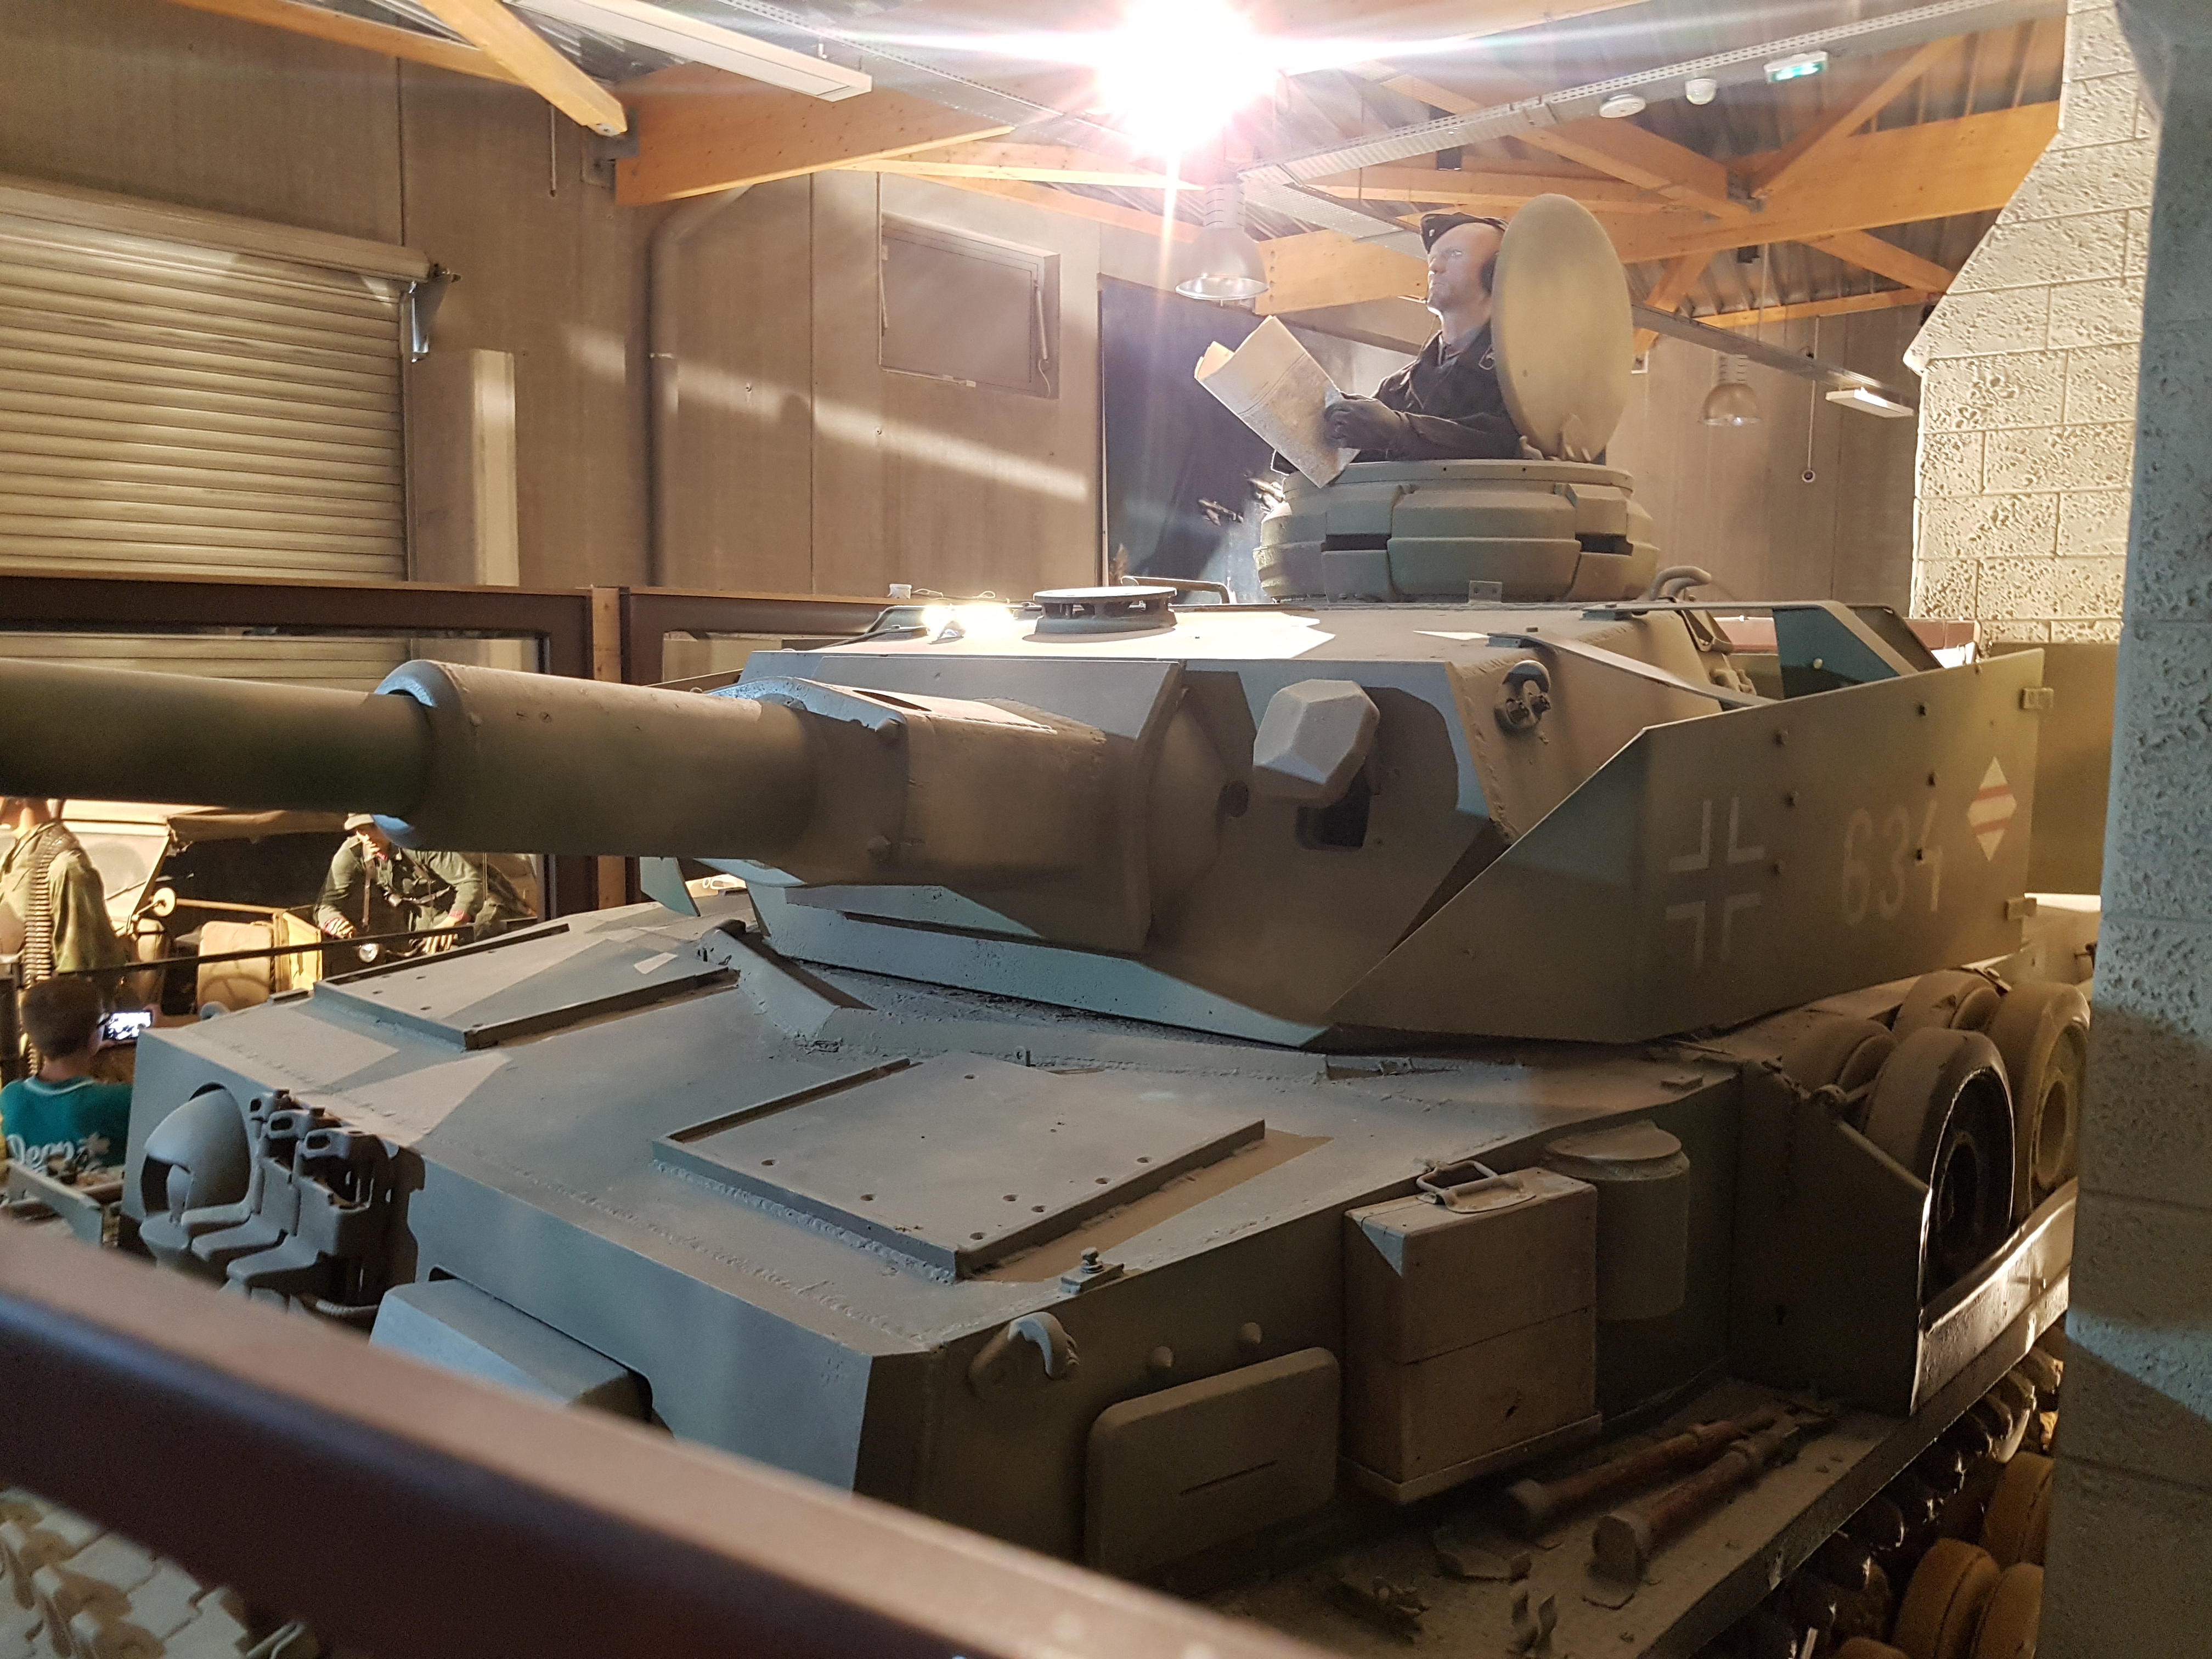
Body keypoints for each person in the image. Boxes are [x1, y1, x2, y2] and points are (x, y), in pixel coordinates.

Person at [1321, 212, 1527, 463]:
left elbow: (1503, 443)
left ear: (1497, 272)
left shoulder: (1525, 374)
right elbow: (1358, 460)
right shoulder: (1398, 388)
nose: (1434, 268)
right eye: (1433, 259)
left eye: (1455, 254)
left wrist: (1400, 430)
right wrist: (1315, 440)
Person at [315, 815, 526, 953]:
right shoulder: (353, 853)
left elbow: (470, 882)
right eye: (360, 831)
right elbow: (325, 905)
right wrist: (334, 922)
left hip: (476, 908)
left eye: (373, 827)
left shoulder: (415, 841)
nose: (368, 837)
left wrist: (452, 922)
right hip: (423, 922)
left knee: (466, 952)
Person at [0, 978, 132, 1172]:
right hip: (107, 1193)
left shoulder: (11, 1097)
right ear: (93, 1036)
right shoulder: (119, 1100)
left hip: (33, 1193)